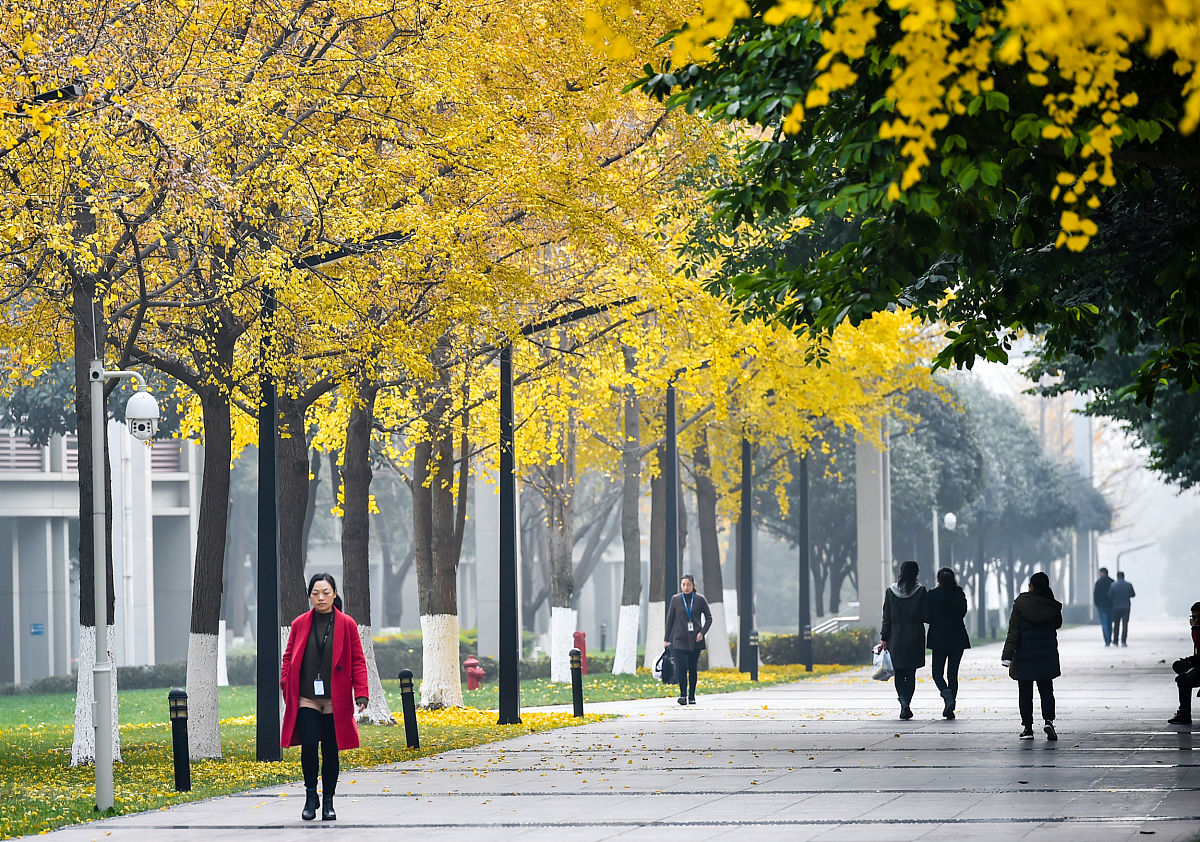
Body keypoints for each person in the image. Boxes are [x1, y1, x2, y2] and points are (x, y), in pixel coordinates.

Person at [280, 573, 369, 821]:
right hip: (307, 697)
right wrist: (286, 681)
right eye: (316, 593)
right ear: (310, 596)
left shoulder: (347, 624)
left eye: (326, 593)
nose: (321, 597)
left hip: (335, 700)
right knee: (308, 745)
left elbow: (358, 661)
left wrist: (361, 693)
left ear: (334, 594)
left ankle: (328, 800)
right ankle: (311, 796)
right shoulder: (300, 624)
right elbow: (288, 657)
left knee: (330, 750)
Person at [1002, 572, 1062, 741]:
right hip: (1045, 655)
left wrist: (1007, 654)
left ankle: (1028, 728)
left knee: (1025, 692)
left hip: (1024, 655)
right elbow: (1058, 624)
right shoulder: (1051, 605)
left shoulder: (1021, 603)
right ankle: (1049, 721)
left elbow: (1013, 630)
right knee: (1046, 690)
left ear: (1031, 586)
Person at [879, 560, 927, 720]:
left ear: (901, 572)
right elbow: (926, 615)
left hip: (896, 637)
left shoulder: (890, 592)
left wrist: (884, 637)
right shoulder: (921, 591)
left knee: (899, 673)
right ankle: (907, 703)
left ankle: (904, 703)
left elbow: (886, 617)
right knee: (910, 672)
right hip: (915, 637)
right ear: (916, 573)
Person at [925, 567, 970, 719]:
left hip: (938, 637)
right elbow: (963, 611)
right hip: (957, 637)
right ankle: (950, 705)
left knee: (937, 673)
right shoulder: (959, 593)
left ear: (939, 579)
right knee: (953, 674)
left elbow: (927, 615)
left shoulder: (932, 595)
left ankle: (947, 695)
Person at [664, 574, 713, 705]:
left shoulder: (700, 599)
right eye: (683, 585)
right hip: (679, 640)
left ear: (693, 585)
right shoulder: (676, 599)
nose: (686, 587)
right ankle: (683, 695)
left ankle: (692, 696)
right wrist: (666, 639)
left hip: (695, 639)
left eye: (688, 585)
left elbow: (709, 618)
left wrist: (702, 633)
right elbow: (670, 620)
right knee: (682, 667)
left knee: (692, 668)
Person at [1168, 601, 1200, 726]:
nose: (1194, 620)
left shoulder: (1197, 630)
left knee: (1182, 680)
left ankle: (1184, 714)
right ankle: (1188, 672)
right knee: (1178, 665)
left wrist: (1195, 629)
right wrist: (1190, 660)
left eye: (1196, 617)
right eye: (1193, 617)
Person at [1109, 571, 1136, 646]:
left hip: (1116, 607)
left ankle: (1115, 641)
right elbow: (1133, 594)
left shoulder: (1113, 585)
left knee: (1116, 624)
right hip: (1126, 607)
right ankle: (1123, 641)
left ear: (1117, 577)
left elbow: (1110, 596)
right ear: (1124, 576)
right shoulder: (1128, 585)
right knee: (1125, 624)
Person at [1093, 567, 1114, 646]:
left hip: (1102, 606)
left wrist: (1097, 604)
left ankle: (1107, 640)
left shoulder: (1098, 582)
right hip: (1111, 605)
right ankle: (1109, 638)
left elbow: (1095, 595)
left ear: (1103, 573)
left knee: (1104, 623)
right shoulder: (1112, 582)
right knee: (1110, 622)